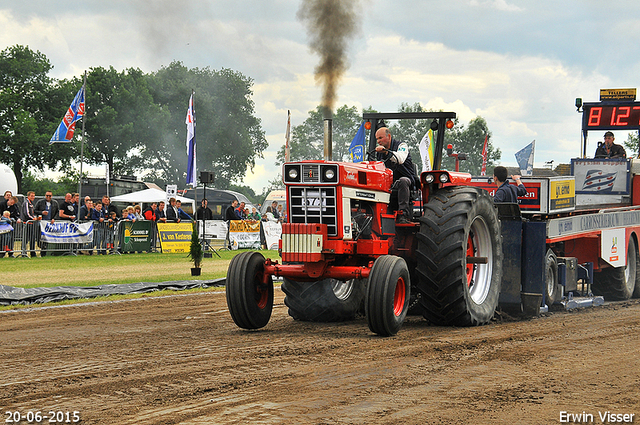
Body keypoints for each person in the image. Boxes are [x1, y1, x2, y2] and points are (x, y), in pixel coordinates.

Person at [375, 126, 418, 224]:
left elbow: (400, 159)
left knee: (403, 181)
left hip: (406, 178)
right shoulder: (379, 153)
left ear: (389, 137)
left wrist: (387, 152)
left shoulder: (402, 146)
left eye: (380, 138)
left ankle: (403, 214)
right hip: (389, 181)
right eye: (377, 139)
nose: (378, 141)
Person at [21, 191, 40, 257]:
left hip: (31, 223)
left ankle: (32, 252)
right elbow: (27, 213)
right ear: (28, 196)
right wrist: (33, 218)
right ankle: (23, 252)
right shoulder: (26, 203)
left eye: (34, 196)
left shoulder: (31, 203)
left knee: (32, 238)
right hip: (26, 223)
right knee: (25, 239)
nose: (33, 197)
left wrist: (35, 217)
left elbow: (32, 212)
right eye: (31, 196)